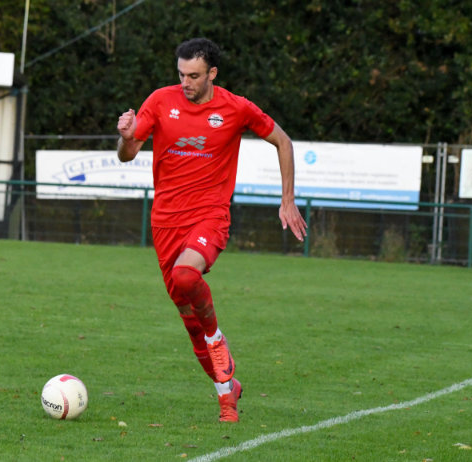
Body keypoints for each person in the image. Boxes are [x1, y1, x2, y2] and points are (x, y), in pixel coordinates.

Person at [116, 38, 307, 422]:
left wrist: (287, 199)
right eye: (181, 74)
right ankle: (226, 394)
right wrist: (124, 135)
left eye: (194, 76)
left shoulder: (236, 108)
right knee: (190, 321)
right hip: (165, 221)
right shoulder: (161, 101)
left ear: (212, 74)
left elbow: (283, 141)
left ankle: (217, 338)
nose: (185, 82)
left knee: (187, 275)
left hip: (210, 216)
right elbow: (128, 153)